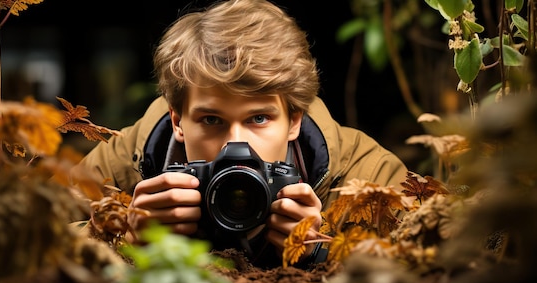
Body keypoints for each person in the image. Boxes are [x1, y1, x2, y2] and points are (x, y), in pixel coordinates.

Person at [73, 0, 408, 268]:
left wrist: (320, 251)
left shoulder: (361, 172)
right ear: (177, 120)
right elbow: (33, 243)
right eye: (211, 120)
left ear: (294, 121)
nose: (237, 144)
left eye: (258, 118)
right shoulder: (123, 162)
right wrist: (119, 238)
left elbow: (424, 267)